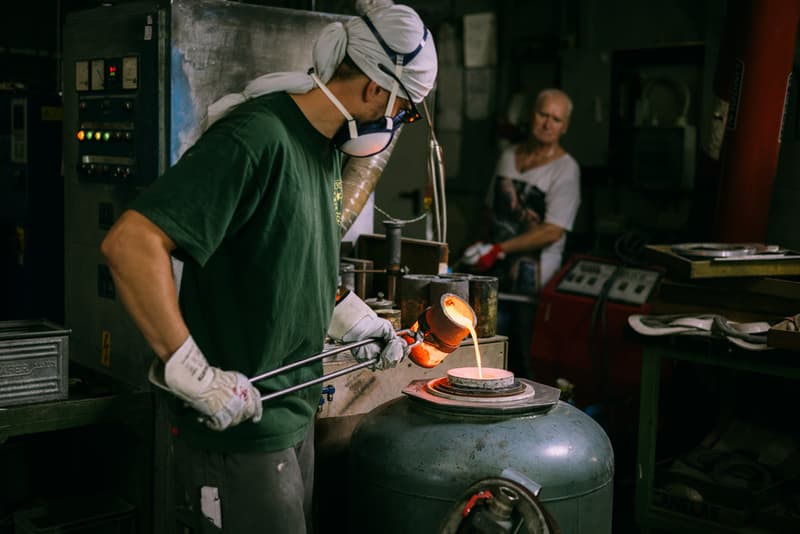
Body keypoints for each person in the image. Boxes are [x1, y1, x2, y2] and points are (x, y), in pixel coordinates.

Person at [100, 0, 437, 532]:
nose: (397, 123)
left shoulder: (324, 152)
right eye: (405, 110)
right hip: (235, 432)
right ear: (376, 89)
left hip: (289, 414)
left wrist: (352, 319)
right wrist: (193, 373)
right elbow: (131, 243)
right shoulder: (257, 136)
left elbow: (288, 265)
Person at [463, 88, 580, 377]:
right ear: (532, 115)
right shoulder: (508, 156)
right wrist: (477, 245)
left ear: (564, 127)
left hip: (532, 286)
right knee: (485, 353)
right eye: (543, 114)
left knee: (525, 359)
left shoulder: (566, 170)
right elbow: (489, 210)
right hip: (491, 277)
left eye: (556, 119)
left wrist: (499, 250)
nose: (547, 124)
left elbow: (552, 231)